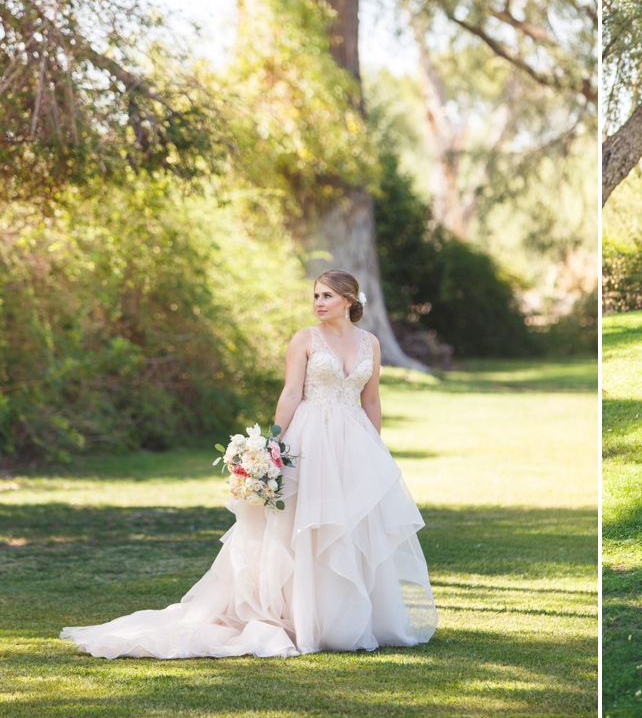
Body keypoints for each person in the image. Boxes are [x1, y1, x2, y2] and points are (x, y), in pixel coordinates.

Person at [61, 270, 437, 657]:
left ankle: (350, 618)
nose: (319, 303)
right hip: (309, 439)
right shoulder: (305, 339)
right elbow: (291, 393)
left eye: (327, 296)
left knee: (351, 525)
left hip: (353, 442)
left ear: (349, 300)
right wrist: (272, 446)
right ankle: (302, 616)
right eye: (316, 296)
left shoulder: (369, 343)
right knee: (301, 523)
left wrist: (375, 450)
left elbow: (371, 400)